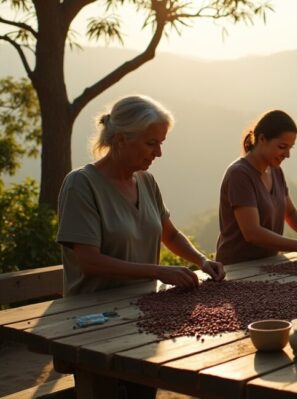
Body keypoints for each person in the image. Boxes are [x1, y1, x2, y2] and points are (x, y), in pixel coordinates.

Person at [57, 95, 225, 398]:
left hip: (144, 316)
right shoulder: (81, 185)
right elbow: (88, 261)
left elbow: (170, 235)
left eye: (161, 143)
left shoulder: (146, 182)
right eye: (151, 143)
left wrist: (201, 261)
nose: (159, 153)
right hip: (95, 323)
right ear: (121, 139)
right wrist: (159, 272)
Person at [216, 110, 297, 265]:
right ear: (262, 139)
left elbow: (290, 212)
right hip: (238, 267)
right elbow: (252, 232)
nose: (287, 154)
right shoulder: (240, 175)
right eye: (282, 147)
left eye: (290, 148)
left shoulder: (275, 170)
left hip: (270, 263)